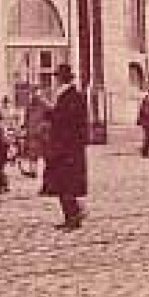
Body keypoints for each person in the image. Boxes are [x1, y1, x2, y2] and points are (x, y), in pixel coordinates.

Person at [41, 64, 89, 230]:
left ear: (61, 79)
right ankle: (72, 214)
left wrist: (49, 110)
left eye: (57, 77)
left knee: (66, 183)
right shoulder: (67, 95)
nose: (55, 80)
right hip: (66, 146)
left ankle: (73, 218)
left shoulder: (71, 96)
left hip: (67, 147)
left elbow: (66, 121)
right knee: (63, 183)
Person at [20, 88, 52, 178]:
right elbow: (26, 118)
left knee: (44, 153)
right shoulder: (29, 105)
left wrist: (44, 126)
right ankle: (33, 171)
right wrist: (24, 127)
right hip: (31, 132)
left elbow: (51, 115)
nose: (33, 95)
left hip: (41, 133)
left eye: (35, 93)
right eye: (32, 93)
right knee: (32, 154)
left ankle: (47, 172)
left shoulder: (44, 104)